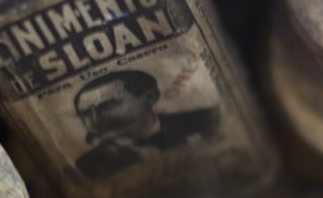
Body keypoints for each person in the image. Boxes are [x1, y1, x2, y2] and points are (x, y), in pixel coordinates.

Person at [73, 70, 220, 180]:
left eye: (107, 104)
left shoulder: (206, 120)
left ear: (149, 98)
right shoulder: (86, 166)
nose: (93, 120)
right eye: (85, 114)